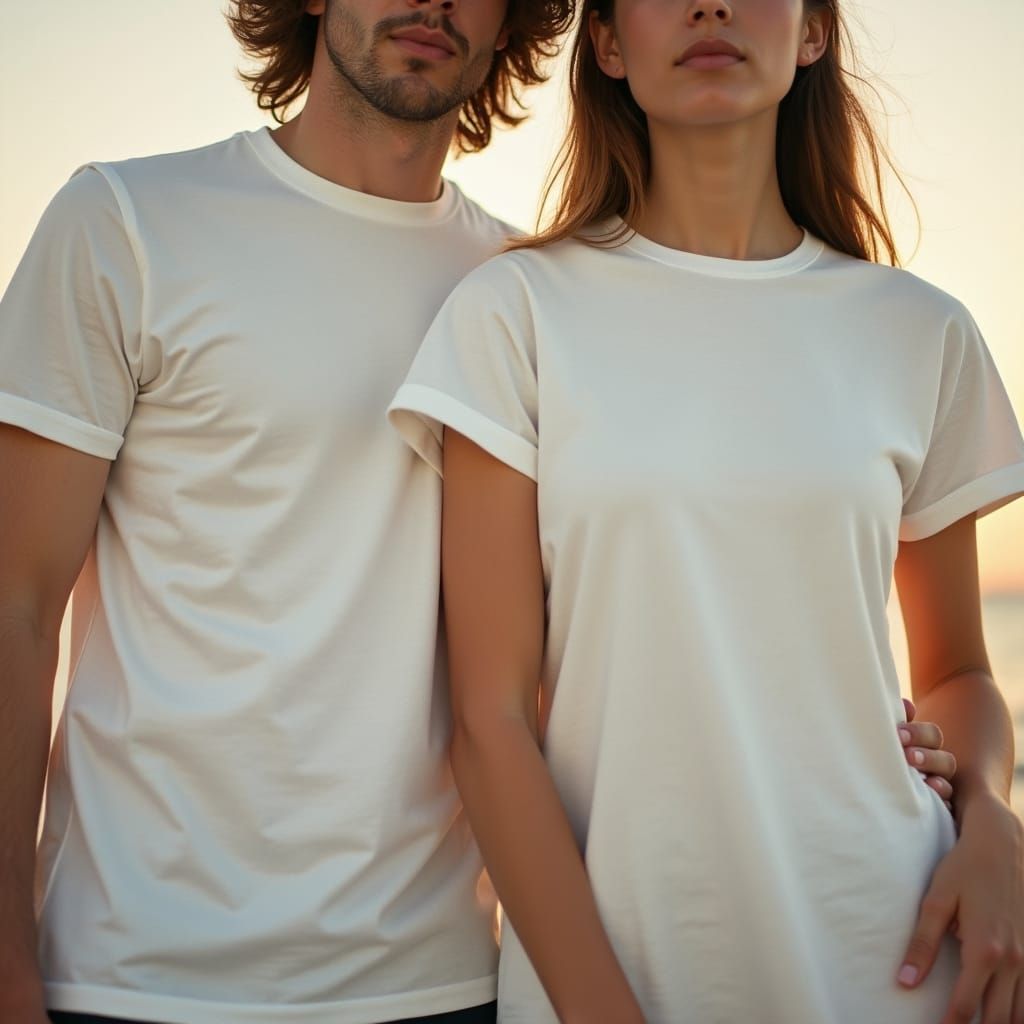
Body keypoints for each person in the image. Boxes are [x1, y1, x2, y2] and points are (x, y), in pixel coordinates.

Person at [387, 0, 1024, 1021]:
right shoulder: (516, 315)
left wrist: (991, 810)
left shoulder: (919, 331)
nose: (709, 6)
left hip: (897, 960)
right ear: (603, 44)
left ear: (812, 33)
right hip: (621, 969)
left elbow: (954, 671)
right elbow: (489, 722)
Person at [0, 1, 576, 1022]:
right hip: (133, 977)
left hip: (438, 981)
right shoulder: (126, 223)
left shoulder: (524, 292)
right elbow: (17, 604)